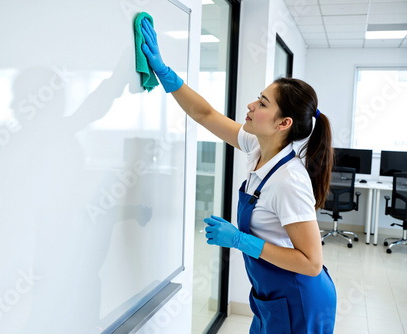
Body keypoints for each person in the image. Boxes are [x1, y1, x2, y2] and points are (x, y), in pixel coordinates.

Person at [140, 18, 337, 333]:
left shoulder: (289, 181)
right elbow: (205, 114)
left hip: (300, 299)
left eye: (261, 103)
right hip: (272, 294)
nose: (250, 105)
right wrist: (166, 73)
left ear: (283, 123)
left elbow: (312, 263)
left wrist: (240, 240)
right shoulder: (258, 148)